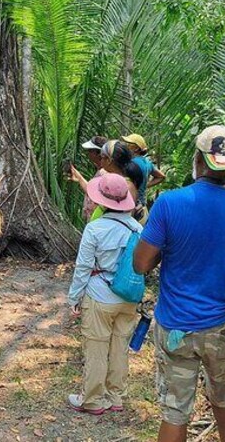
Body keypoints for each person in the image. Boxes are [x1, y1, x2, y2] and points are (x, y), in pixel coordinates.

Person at [132, 126, 225, 442]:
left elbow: (141, 264)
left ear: (198, 160)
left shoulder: (170, 204)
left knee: (174, 412)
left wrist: (170, 247)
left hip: (176, 326)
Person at [66, 173, 142, 415]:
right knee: (119, 347)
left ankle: (92, 399)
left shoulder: (95, 229)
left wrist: (74, 298)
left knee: (97, 347)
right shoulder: (137, 228)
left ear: (102, 200)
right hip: (128, 296)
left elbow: (84, 267)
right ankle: (116, 396)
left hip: (100, 295)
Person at [88, 140, 143, 222]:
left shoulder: (127, 186)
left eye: (102, 157)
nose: (100, 160)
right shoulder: (108, 180)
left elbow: (126, 218)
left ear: (109, 160)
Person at [69, 136, 108, 221]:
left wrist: (78, 176)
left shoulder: (103, 173)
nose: (88, 153)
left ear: (99, 153)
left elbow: (92, 192)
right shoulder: (100, 169)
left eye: (90, 151)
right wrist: (78, 177)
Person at [121, 133, 166, 197]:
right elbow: (161, 176)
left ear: (136, 148)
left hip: (133, 200)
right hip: (142, 201)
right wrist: (145, 186)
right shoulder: (147, 162)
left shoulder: (132, 163)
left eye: (128, 144)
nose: (126, 146)